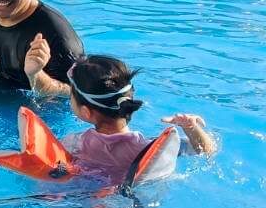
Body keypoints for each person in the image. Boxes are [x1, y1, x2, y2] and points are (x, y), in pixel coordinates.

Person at [56, 55, 215, 186]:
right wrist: (191, 128)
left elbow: (55, 167)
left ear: (86, 112)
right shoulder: (146, 149)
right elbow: (205, 150)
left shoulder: (74, 143)